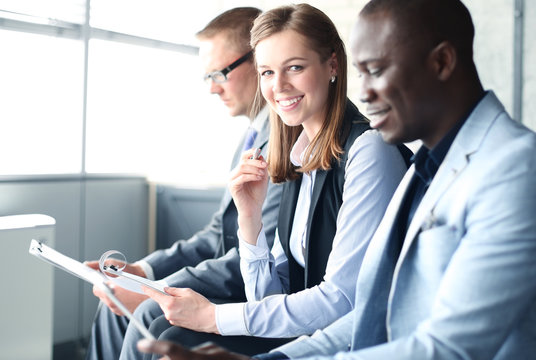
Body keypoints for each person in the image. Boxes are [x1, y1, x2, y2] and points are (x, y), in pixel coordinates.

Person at [135, 0, 536, 359]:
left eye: (375, 71)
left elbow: (449, 346)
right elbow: (369, 310)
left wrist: (218, 320)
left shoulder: (514, 167)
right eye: (268, 72)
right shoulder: (425, 166)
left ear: (442, 62)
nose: (364, 91)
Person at [135, 3, 410, 359]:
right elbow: (269, 298)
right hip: (304, 329)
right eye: (266, 72)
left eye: (294, 67)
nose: (278, 86)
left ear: (332, 65)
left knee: (179, 337)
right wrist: (250, 220)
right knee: (164, 327)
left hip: (344, 341)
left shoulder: (368, 151)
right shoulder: (297, 156)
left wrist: (214, 317)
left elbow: (342, 300)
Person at [84, 7, 285, 360]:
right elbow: (215, 234)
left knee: (150, 313)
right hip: (227, 283)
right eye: (207, 76)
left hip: (257, 295)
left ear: (259, 60)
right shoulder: (252, 135)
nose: (212, 88)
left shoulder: (285, 139)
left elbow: (258, 253)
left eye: (220, 73)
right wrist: (143, 272)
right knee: (115, 305)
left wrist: (157, 291)